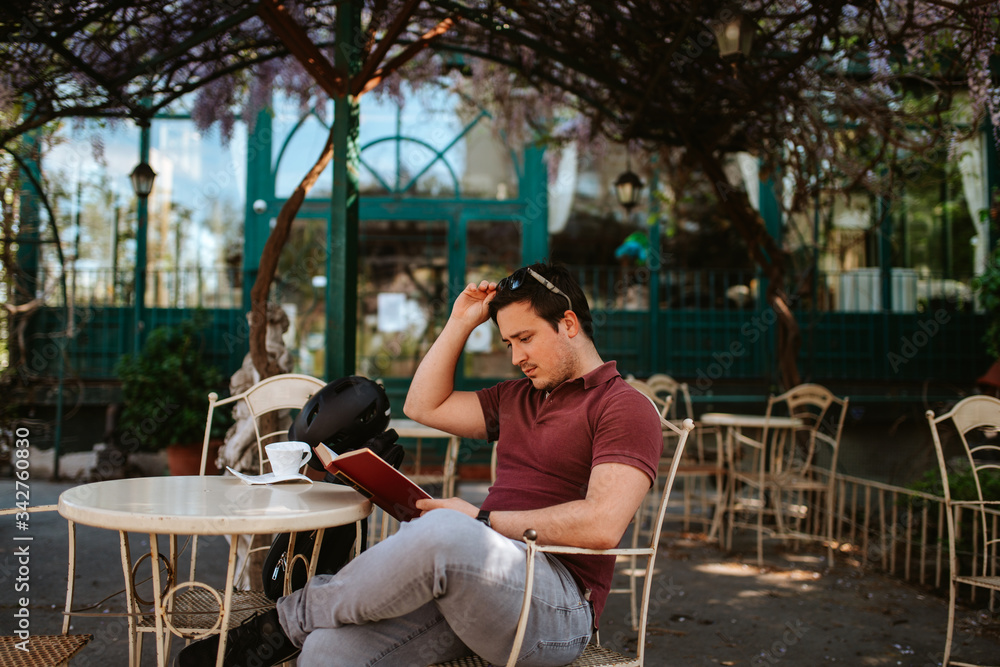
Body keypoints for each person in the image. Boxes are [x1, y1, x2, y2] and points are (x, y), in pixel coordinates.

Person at [179, 262, 663, 667]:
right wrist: (458, 322)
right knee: (327, 653)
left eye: (525, 338)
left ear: (570, 324)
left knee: (447, 530)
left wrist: (479, 521)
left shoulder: (623, 407)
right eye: (507, 343)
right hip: (475, 584)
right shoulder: (517, 398)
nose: (516, 357)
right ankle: (297, 629)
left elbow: (602, 525)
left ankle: (282, 621)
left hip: (557, 604)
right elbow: (422, 405)